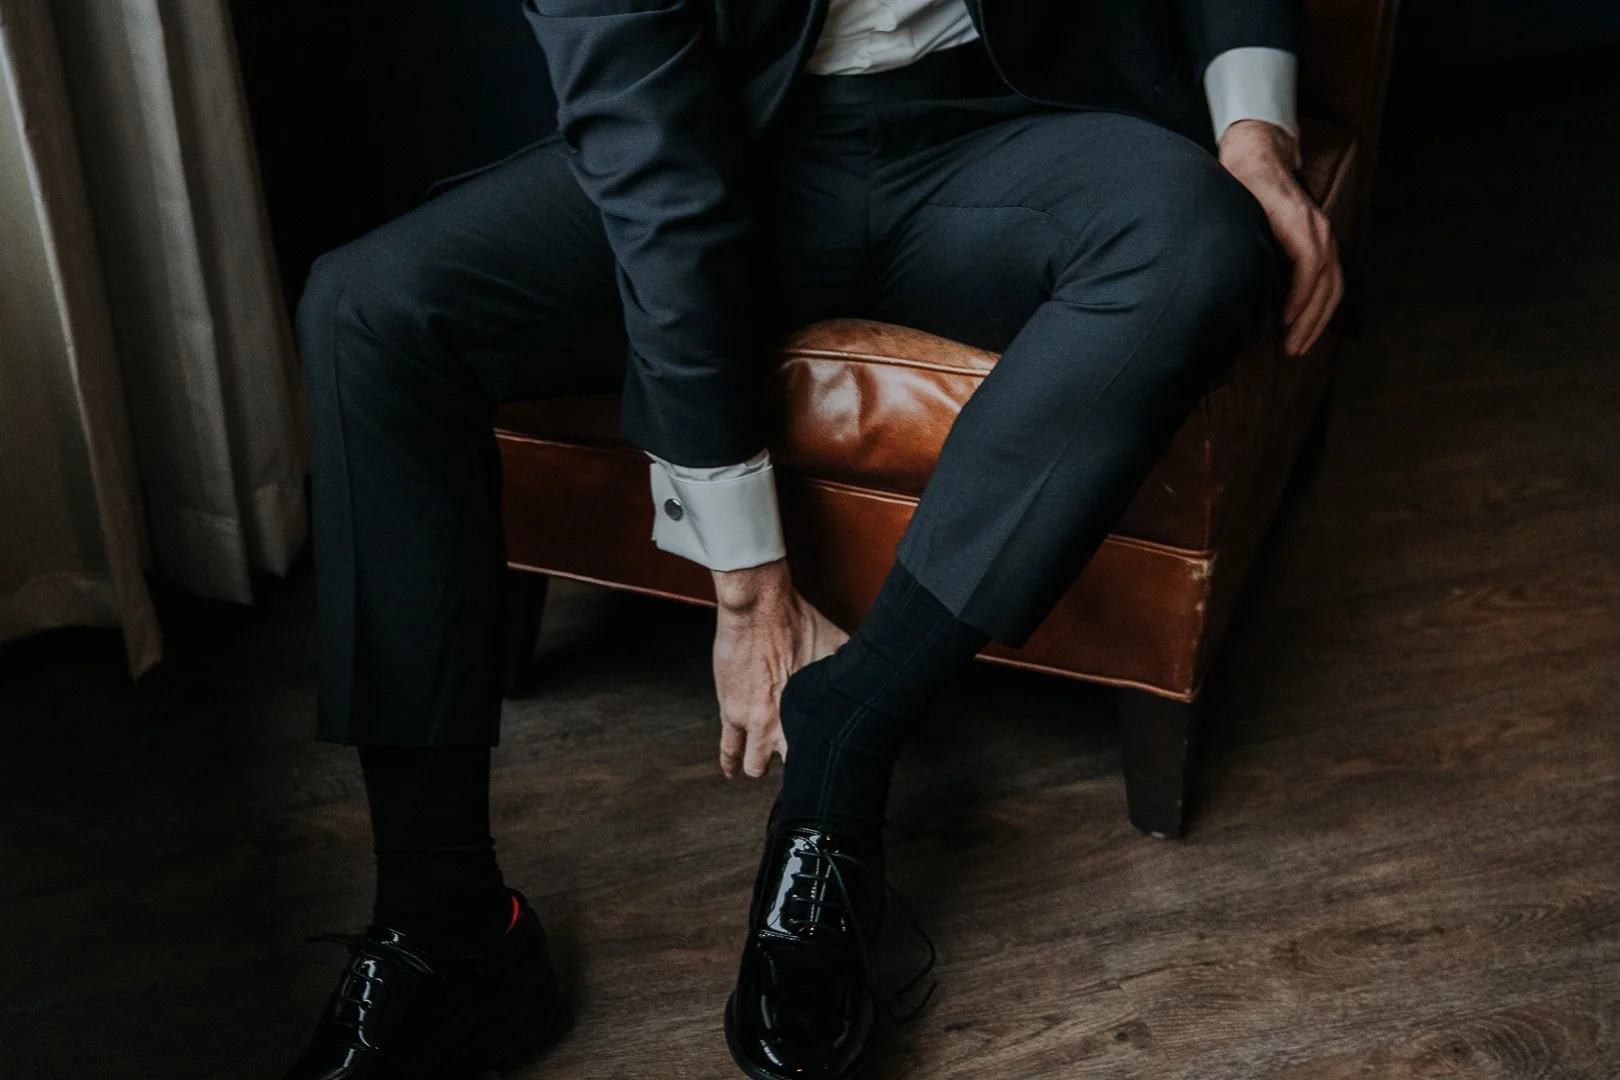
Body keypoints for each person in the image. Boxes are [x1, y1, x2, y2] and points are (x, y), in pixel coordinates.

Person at [285, 0, 1342, 1077]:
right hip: (728, 143)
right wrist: (749, 585)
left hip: (1009, 121)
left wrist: (1255, 133)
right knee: (369, 308)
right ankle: (444, 918)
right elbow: (657, 170)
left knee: (1196, 234)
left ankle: (847, 742)